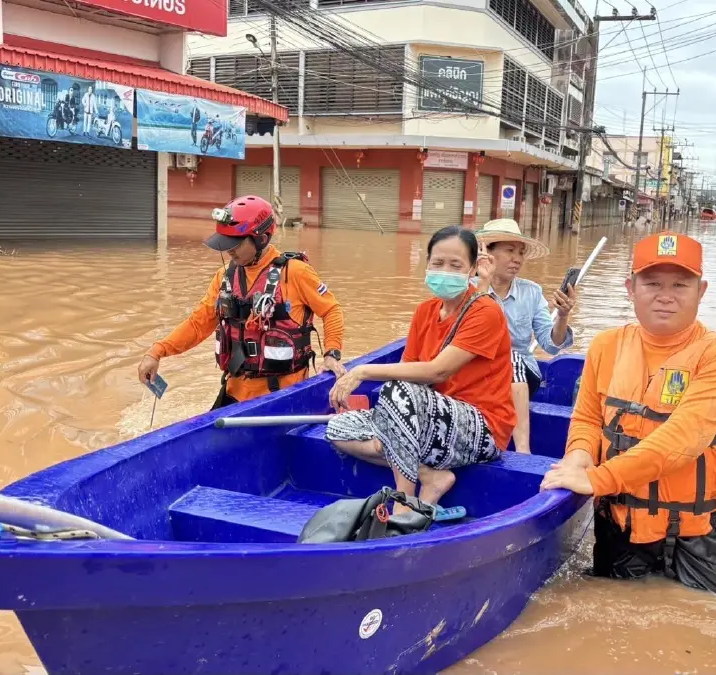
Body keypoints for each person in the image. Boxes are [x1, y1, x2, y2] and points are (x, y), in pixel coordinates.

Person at [540, 231, 716, 597]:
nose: (665, 295)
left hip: (700, 535)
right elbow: (588, 418)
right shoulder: (607, 346)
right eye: (652, 282)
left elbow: (683, 441)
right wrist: (577, 460)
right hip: (621, 528)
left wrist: (597, 480)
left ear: (701, 292)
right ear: (630, 288)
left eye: (680, 284)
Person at [325, 226, 515, 511]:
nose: (444, 270)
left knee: (397, 391)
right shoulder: (425, 311)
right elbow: (409, 369)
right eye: (437, 263)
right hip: (428, 420)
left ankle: (404, 505)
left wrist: (363, 371)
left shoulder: (485, 311)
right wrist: (390, 428)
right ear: (426, 264)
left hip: (481, 428)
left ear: (473, 268)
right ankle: (430, 477)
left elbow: (437, 372)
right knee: (338, 428)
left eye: (456, 265)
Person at [137, 195, 346, 409]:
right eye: (225, 243)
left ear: (261, 239)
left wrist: (331, 354)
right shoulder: (224, 277)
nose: (229, 250)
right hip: (234, 393)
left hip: (282, 397)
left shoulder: (295, 272)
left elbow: (331, 310)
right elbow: (197, 324)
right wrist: (157, 352)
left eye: (235, 244)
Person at [472, 218, 576, 454]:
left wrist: (562, 315)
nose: (517, 259)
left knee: (510, 357)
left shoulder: (531, 292)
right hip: (476, 371)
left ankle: (523, 451)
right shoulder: (468, 289)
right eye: (509, 251)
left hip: (521, 373)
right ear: (486, 253)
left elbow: (551, 345)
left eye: (520, 252)